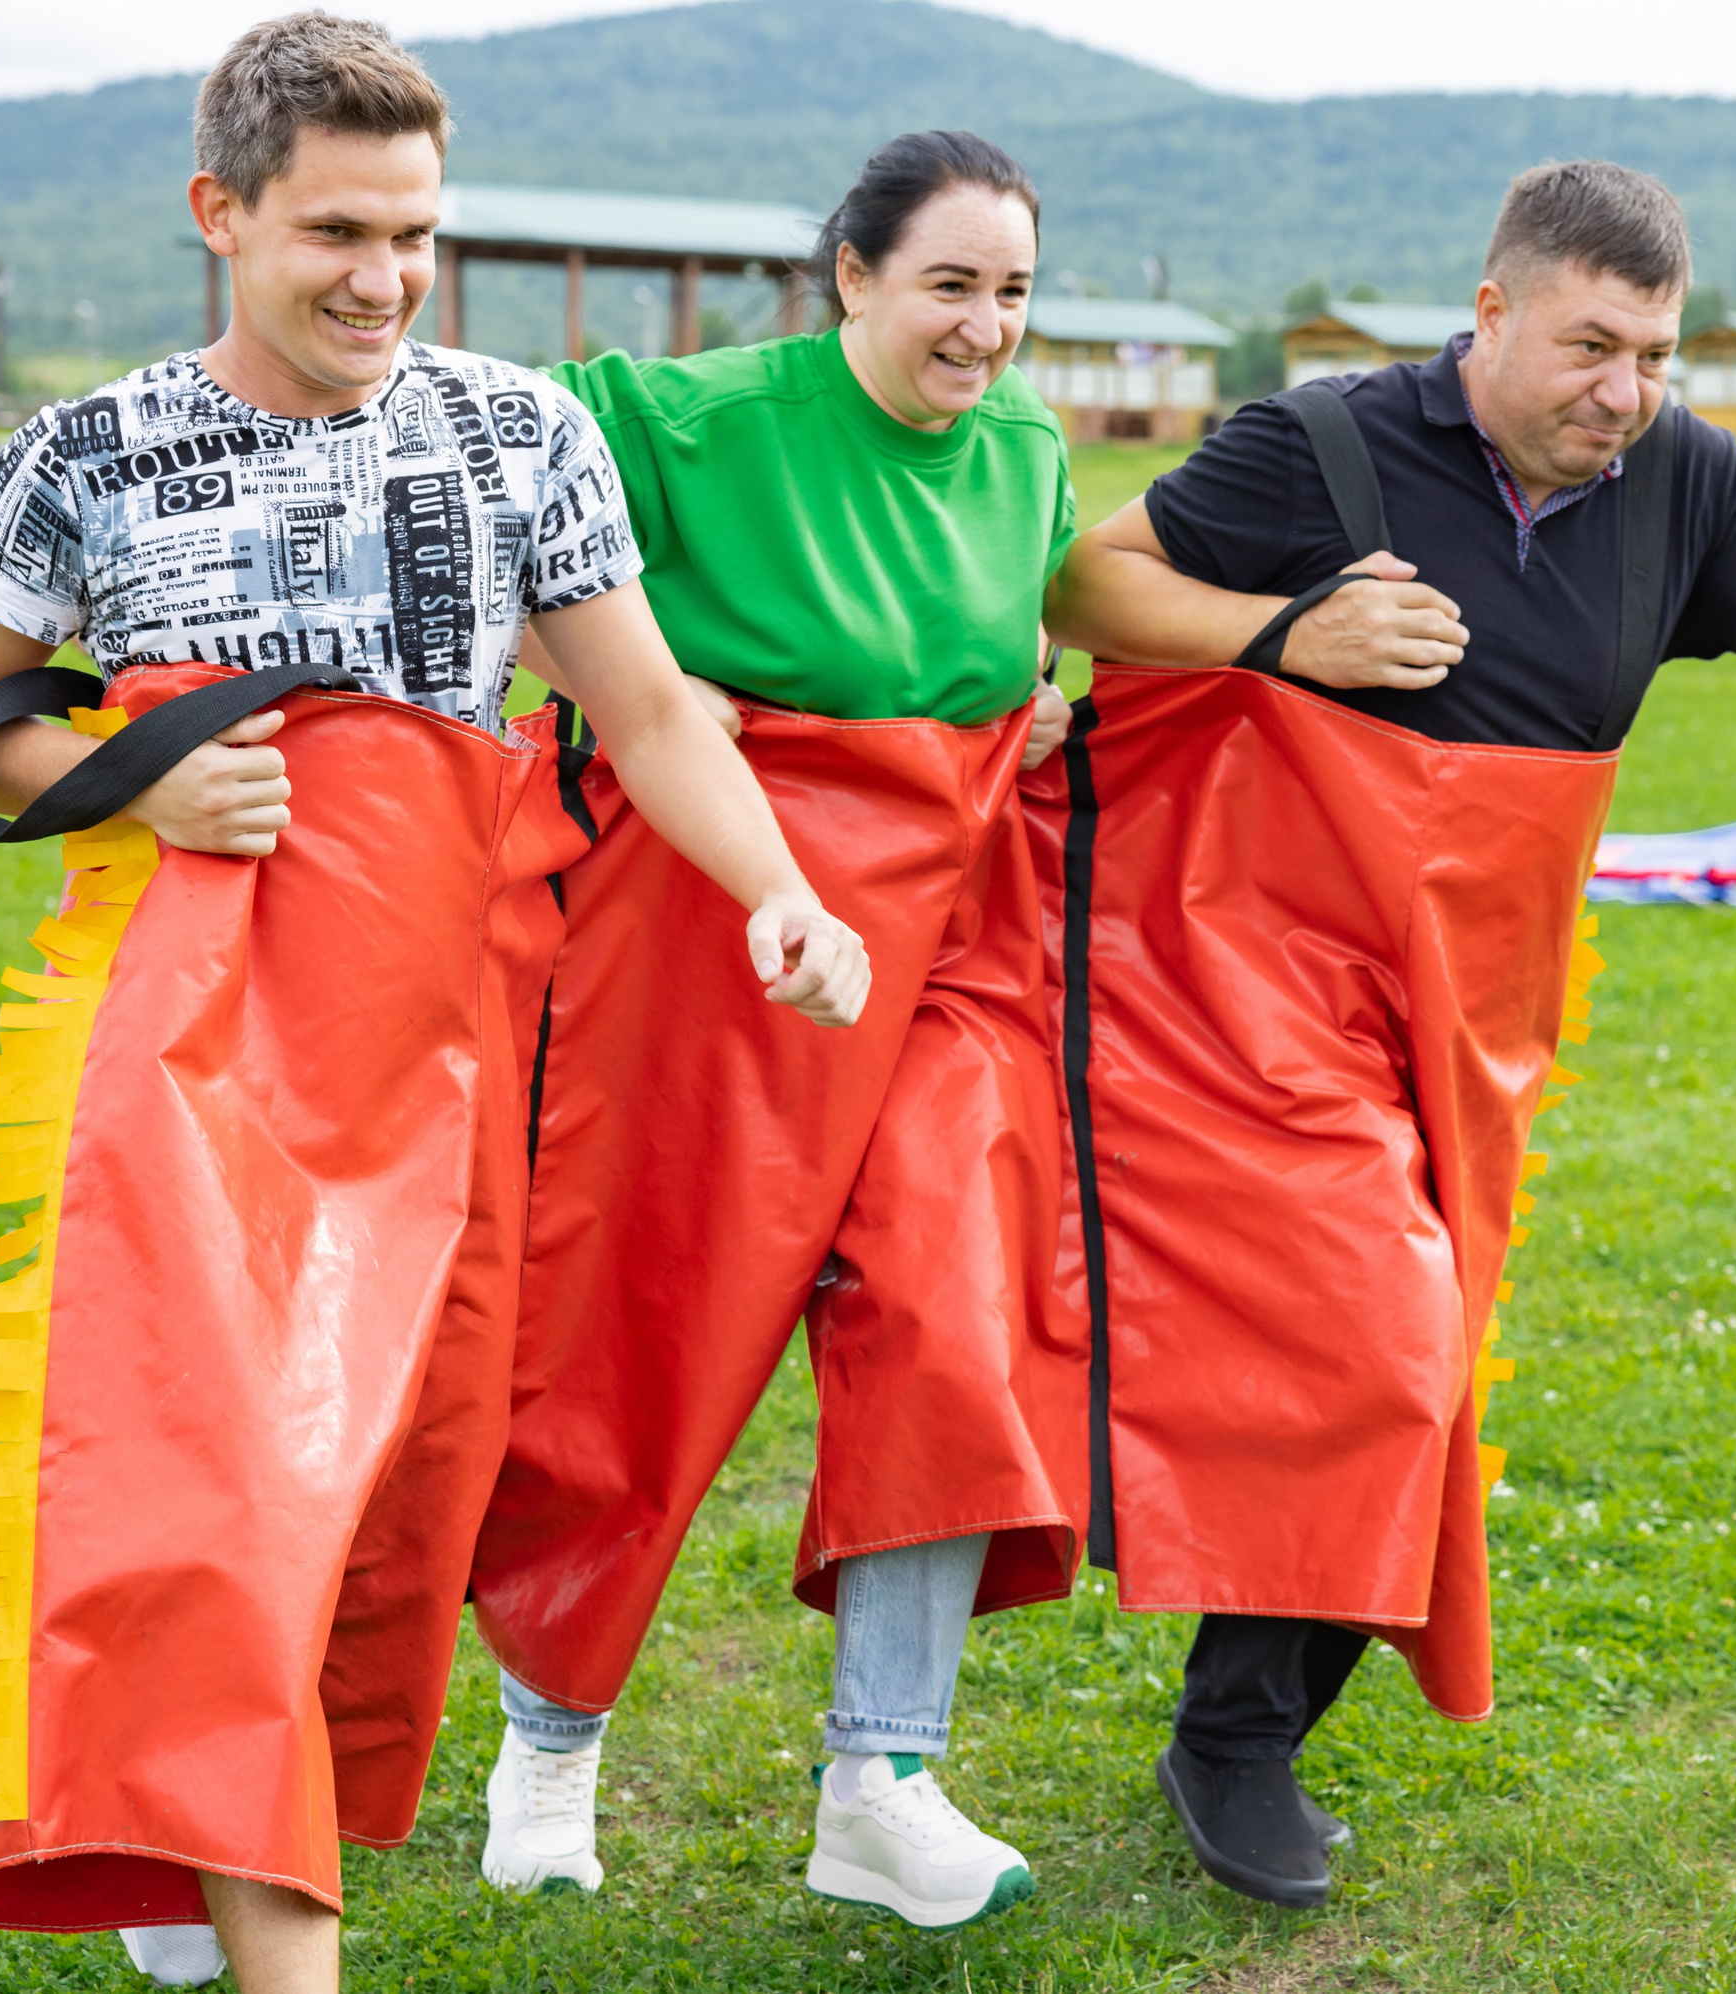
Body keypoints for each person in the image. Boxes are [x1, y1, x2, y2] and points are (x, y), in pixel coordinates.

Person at [0, 17, 865, 1993]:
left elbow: (646, 709)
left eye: (414, 233)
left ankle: (193, 1802)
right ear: (220, 214)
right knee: (224, 1470)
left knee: (391, 1483)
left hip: (434, 1054)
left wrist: (782, 888)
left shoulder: (520, 434)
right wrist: (128, 782)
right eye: (336, 231)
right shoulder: (91, 452)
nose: (384, 277)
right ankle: (253, 1896)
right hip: (190, 1057)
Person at [1037, 158, 1736, 1909]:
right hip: (1267, 976)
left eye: (1655, 354)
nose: (1626, 392)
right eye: (1591, 346)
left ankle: (1244, 1709)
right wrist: (1285, 630)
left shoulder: (1686, 479)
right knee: (1388, 1325)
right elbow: (1086, 588)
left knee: (1416, 1353)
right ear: (1492, 311)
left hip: (1484, 1001)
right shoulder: (1319, 447)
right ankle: (1235, 1735)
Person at [466, 130, 1085, 1931]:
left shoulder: (1029, 449)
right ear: (853, 277)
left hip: (946, 937)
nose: (985, 328)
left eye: (1014, 292)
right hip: (708, 914)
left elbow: (1016, 629)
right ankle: (550, 1736)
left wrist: (1035, 700)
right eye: (950, 284)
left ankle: (883, 1780)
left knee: (950, 1302)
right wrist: (623, 670)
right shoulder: (682, 414)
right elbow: (472, 493)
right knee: (645, 1315)